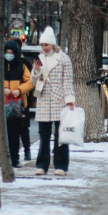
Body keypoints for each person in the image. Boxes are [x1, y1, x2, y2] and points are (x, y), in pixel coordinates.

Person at [31, 27, 76, 176]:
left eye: (46, 45)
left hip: (59, 98)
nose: (44, 48)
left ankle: (61, 165)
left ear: (53, 44)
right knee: (43, 134)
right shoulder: (39, 58)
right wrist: (36, 70)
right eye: (42, 45)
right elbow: (33, 81)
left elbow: (68, 81)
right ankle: (42, 165)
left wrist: (70, 100)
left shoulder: (64, 58)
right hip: (43, 98)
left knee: (60, 135)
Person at [4, 39, 34, 168]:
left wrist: (19, 90)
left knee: (15, 133)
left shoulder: (21, 65)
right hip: (3, 104)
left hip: (17, 104)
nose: (9, 54)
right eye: (7, 52)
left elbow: (30, 82)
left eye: (11, 52)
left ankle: (15, 159)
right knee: (3, 133)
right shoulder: (0, 65)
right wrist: (2, 89)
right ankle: (5, 158)